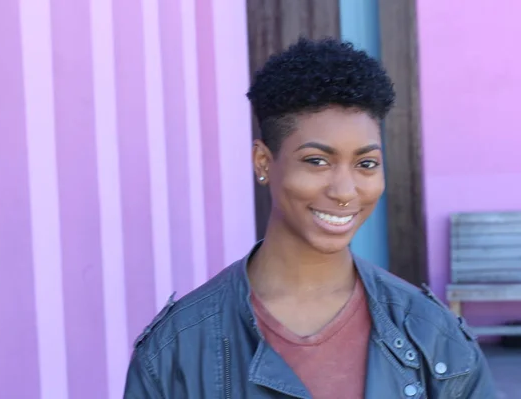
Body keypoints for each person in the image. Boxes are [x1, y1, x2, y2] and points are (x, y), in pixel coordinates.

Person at [124, 37, 496, 398]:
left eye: (366, 164)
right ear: (263, 162)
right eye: (317, 161)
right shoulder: (176, 350)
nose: (345, 190)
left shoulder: (434, 335)